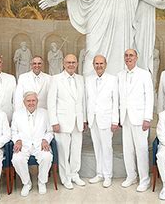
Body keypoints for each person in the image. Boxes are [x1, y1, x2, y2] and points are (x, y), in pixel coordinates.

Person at [47, 54, 86, 189]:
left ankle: (75, 174)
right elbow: (51, 102)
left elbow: (82, 101)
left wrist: (84, 119)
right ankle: (65, 177)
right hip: (62, 122)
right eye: (68, 62)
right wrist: (54, 122)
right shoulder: (56, 79)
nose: (71, 65)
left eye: (73, 62)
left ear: (76, 64)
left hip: (77, 121)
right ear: (63, 64)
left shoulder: (80, 79)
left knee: (76, 150)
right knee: (64, 152)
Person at [117, 49, 154, 192]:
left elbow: (149, 97)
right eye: (126, 55)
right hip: (125, 118)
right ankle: (131, 176)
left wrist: (147, 118)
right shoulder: (120, 75)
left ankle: (145, 179)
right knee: (127, 149)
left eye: (131, 55)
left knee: (142, 149)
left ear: (136, 57)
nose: (128, 58)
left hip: (140, 118)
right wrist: (119, 117)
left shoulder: (144, 74)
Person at [85, 55, 119, 188]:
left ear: (105, 64)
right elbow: (87, 100)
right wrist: (87, 119)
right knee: (97, 147)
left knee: (107, 148)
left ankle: (108, 175)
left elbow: (116, 101)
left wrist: (115, 120)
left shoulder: (112, 79)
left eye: (101, 63)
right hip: (93, 119)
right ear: (93, 65)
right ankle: (99, 174)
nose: (99, 66)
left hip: (106, 119)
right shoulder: (88, 79)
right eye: (96, 63)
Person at [11, 91, 54, 196]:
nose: (31, 103)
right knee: (17, 159)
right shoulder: (17, 114)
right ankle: (27, 183)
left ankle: (42, 182)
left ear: (37, 101)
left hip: (40, 144)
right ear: (24, 102)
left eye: (33, 100)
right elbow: (13, 131)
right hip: (24, 145)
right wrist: (18, 140)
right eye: (28, 101)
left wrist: (45, 140)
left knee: (47, 156)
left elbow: (50, 131)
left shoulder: (45, 113)